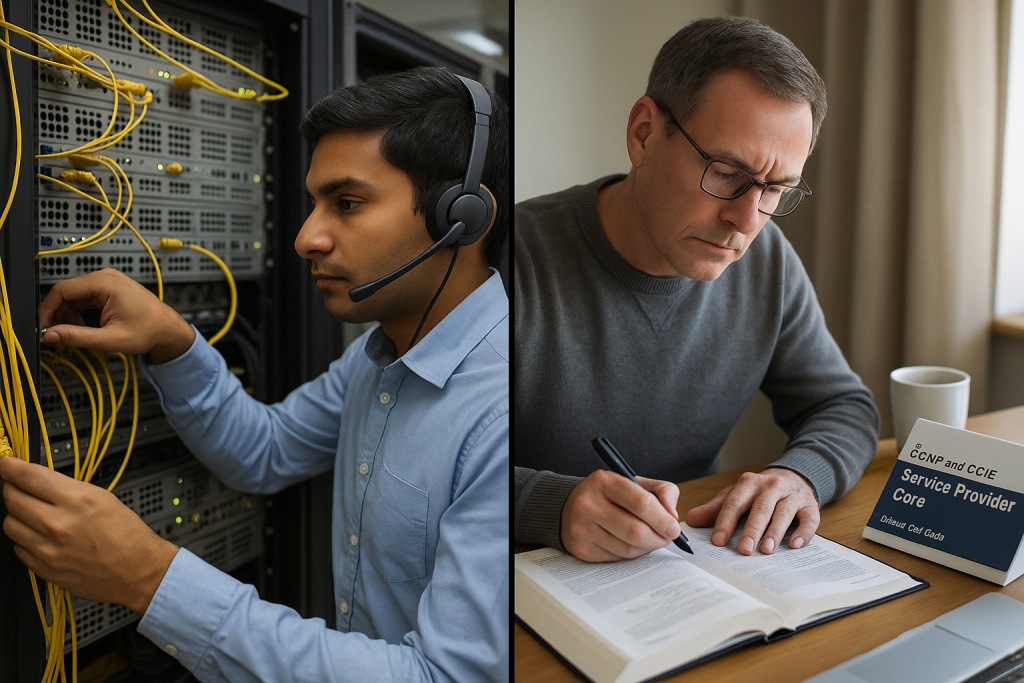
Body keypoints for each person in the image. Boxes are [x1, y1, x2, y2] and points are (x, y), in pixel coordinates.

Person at [1, 66, 509, 682]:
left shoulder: (501, 409)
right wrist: (174, 340)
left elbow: (447, 678)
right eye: (313, 203)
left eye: (347, 204)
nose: (305, 237)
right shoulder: (380, 356)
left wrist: (148, 578)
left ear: (462, 217)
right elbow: (265, 452)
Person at [514, 16, 880, 563]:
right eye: (727, 172)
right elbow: (420, 454)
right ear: (643, 133)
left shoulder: (767, 261)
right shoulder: (508, 260)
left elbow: (843, 405)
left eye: (775, 189)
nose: (746, 220)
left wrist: (798, 475)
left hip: (693, 566)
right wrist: (548, 503)